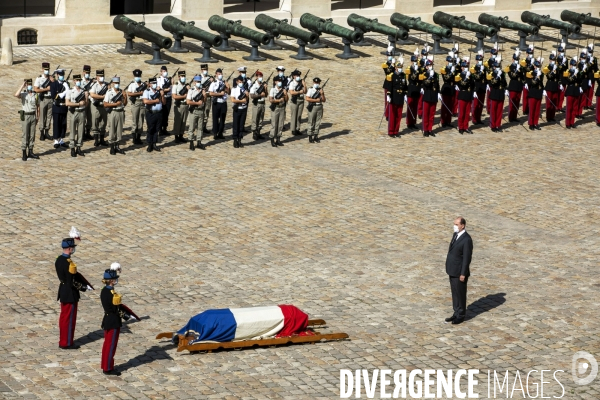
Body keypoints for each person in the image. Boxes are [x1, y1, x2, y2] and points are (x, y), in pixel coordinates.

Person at [55, 237, 91, 349]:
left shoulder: (59, 259)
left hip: (63, 290)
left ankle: (64, 340)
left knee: (64, 317)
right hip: (70, 293)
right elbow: (72, 281)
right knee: (69, 319)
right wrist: (83, 287)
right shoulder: (69, 263)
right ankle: (66, 342)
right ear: (70, 249)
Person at [100, 264, 133, 376]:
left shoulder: (104, 291)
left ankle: (105, 365)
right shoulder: (112, 294)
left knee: (106, 345)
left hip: (107, 319)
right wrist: (127, 316)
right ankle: (108, 368)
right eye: (114, 279)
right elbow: (116, 309)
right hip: (113, 321)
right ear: (111, 281)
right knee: (111, 345)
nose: (116, 281)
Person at [444, 217, 473, 325]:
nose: (454, 226)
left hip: (459, 272)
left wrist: (463, 273)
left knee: (460, 293)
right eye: (454, 224)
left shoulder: (467, 239)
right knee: (455, 293)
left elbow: (466, 258)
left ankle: (461, 315)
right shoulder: (456, 235)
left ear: (462, 225)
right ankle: (456, 312)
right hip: (452, 269)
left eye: (456, 224)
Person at [14, 78, 40, 161]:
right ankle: (24, 152)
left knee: (32, 134)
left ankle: (31, 151)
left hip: (33, 115)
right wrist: (22, 85)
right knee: (25, 134)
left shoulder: (35, 95)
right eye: (28, 84)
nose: (29, 86)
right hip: (25, 116)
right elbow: (16, 94)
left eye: (30, 84)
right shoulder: (24, 94)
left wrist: (37, 117)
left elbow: (38, 106)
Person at [65, 74, 88, 157]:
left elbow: (86, 104)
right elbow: (67, 103)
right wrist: (78, 104)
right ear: (74, 81)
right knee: (73, 130)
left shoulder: (83, 91)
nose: (78, 82)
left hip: (82, 112)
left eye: (79, 80)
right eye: (77, 80)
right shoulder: (70, 91)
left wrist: (86, 97)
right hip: (73, 112)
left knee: (81, 130)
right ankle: (72, 148)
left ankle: (79, 147)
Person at [103, 76, 128, 155]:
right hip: (113, 112)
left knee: (119, 130)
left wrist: (125, 96)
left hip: (120, 111)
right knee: (112, 129)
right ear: (113, 83)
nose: (117, 84)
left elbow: (124, 104)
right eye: (115, 83)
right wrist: (115, 104)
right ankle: (112, 147)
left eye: (118, 83)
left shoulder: (121, 91)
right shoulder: (109, 92)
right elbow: (105, 104)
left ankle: (117, 146)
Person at [383, 60, 407, 137]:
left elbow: (405, 86)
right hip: (393, 96)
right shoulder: (392, 75)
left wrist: (406, 94)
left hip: (400, 97)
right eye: (399, 67)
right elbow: (389, 86)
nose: (400, 69)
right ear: (396, 68)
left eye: (401, 67)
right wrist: (388, 95)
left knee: (398, 115)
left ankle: (396, 131)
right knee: (392, 115)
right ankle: (391, 131)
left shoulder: (403, 75)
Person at [143, 77, 166, 152]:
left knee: (157, 129)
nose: (154, 84)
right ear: (149, 84)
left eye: (155, 83)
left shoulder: (159, 91)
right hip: (151, 113)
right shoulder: (147, 91)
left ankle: (154, 143)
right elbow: (145, 101)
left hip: (159, 113)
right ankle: (150, 144)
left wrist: (162, 95)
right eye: (153, 83)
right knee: (150, 129)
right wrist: (154, 101)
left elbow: (164, 102)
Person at [49, 69, 70, 149]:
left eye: (63, 75)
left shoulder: (66, 84)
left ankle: (61, 139)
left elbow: (69, 95)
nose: (62, 76)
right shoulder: (53, 84)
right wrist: (65, 92)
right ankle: (56, 140)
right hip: (57, 106)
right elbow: (54, 96)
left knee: (63, 124)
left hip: (64, 106)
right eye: (60, 75)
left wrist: (67, 89)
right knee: (56, 123)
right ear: (57, 75)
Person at [89, 69, 109, 147]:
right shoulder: (94, 85)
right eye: (100, 76)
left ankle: (102, 139)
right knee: (95, 122)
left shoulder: (106, 85)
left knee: (103, 122)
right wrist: (102, 96)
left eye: (102, 76)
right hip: (96, 106)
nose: (101, 77)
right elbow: (92, 95)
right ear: (97, 77)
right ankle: (96, 140)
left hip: (103, 105)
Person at [208, 68, 230, 140]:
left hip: (223, 102)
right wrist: (219, 94)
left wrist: (228, 87)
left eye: (221, 74)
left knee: (222, 118)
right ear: (216, 75)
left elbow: (229, 92)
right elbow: (211, 93)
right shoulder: (213, 83)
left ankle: (220, 132)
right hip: (216, 102)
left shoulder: (224, 83)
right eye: (218, 74)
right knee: (215, 118)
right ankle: (215, 132)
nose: (220, 75)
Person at [186, 75, 207, 150]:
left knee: (200, 127)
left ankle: (199, 142)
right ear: (194, 82)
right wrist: (197, 103)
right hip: (194, 110)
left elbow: (204, 101)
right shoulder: (191, 90)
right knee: (192, 127)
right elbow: (188, 101)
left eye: (199, 82)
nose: (198, 83)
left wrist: (204, 96)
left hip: (201, 110)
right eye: (197, 82)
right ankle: (191, 142)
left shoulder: (202, 90)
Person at [34, 62, 53, 141]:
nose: (47, 71)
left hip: (50, 98)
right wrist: (46, 89)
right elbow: (36, 89)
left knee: (49, 116)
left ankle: (47, 131)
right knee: (42, 116)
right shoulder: (39, 79)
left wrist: (53, 81)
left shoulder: (51, 78)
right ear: (42, 69)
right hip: (43, 99)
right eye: (45, 69)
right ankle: (42, 132)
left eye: (48, 69)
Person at [421, 57, 440, 137]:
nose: (430, 66)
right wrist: (430, 77)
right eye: (429, 65)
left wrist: (438, 92)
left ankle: (430, 129)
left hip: (433, 95)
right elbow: (426, 84)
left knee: (432, 114)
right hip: (427, 95)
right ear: (426, 67)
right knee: (426, 114)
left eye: (431, 65)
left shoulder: (435, 74)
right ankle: (425, 129)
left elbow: (437, 84)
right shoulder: (424, 74)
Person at [488, 60, 508, 133]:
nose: (497, 68)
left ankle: (498, 125)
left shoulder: (502, 73)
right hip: (495, 93)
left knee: (499, 111)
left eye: (498, 67)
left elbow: (505, 83)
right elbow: (492, 83)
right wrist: (497, 77)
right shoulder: (492, 74)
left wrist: (506, 89)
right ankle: (493, 125)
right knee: (493, 111)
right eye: (496, 67)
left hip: (500, 93)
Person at [126, 69, 146, 145]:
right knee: (135, 120)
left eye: (139, 76)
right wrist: (138, 93)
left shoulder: (143, 85)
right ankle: (134, 138)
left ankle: (139, 137)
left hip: (142, 103)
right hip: (135, 103)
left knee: (141, 121)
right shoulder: (132, 85)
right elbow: (129, 94)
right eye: (136, 76)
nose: (137, 77)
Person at [455, 59, 474, 134]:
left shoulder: (470, 75)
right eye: (464, 66)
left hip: (468, 95)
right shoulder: (459, 75)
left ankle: (466, 127)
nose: (466, 68)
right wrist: (466, 78)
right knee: (461, 113)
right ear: (461, 68)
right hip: (462, 95)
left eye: (466, 66)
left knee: (467, 113)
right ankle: (460, 127)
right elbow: (462, 85)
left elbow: (472, 85)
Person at [230, 76, 249, 148]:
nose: (241, 83)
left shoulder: (244, 89)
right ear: (237, 82)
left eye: (242, 82)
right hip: (237, 109)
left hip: (243, 108)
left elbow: (246, 100)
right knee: (236, 125)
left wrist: (247, 96)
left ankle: (240, 139)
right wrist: (241, 101)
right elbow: (233, 100)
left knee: (241, 125)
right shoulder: (234, 89)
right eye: (240, 82)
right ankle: (235, 140)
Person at [269, 75, 288, 147]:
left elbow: (286, 100)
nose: (280, 82)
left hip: (282, 107)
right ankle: (272, 138)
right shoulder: (273, 90)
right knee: (274, 124)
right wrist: (278, 100)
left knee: (280, 124)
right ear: (275, 82)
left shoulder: (283, 90)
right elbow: (271, 100)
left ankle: (278, 139)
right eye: (278, 81)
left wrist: (285, 94)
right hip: (276, 107)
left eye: (281, 81)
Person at [306, 77, 326, 143]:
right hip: (313, 106)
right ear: (313, 82)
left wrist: (322, 94)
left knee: (318, 122)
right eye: (315, 83)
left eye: (317, 83)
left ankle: (316, 136)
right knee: (311, 121)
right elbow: (307, 98)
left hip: (319, 106)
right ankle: (310, 136)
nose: (316, 84)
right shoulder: (310, 90)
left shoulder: (320, 90)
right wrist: (315, 100)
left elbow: (324, 100)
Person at [440, 52, 457, 129]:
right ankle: (443, 121)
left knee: (450, 105)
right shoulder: (444, 69)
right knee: (445, 106)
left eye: (451, 62)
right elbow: (445, 78)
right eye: (449, 62)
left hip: (452, 88)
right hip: (446, 88)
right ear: (446, 62)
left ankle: (448, 121)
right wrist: (450, 72)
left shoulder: (454, 69)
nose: (450, 63)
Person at [172, 70, 189, 144]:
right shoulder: (176, 85)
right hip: (179, 105)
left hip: (185, 104)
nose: (183, 78)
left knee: (184, 121)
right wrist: (183, 96)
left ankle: (181, 135)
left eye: (184, 76)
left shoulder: (186, 86)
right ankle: (176, 136)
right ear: (179, 77)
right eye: (182, 76)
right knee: (178, 121)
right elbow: (174, 96)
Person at [507, 49, 524, 122]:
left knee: (517, 102)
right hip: (513, 86)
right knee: (512, 103)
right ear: (512, 59)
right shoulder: (510, 67)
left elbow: (522, 77)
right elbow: (512, 76)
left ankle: (515, 116)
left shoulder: (520, 67)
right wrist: (516, 71)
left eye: (517, 59)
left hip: (519, 86)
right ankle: (511, 117)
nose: (516, 60)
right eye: (515, 59)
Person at [405, 50, 421, 130]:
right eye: (414, 61)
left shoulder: (418, 68)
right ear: (411, 61)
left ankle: (413, 122)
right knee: (410, 106)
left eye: (416, 61)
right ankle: (409, 122)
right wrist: (415, 71)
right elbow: (411, 78)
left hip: (417, 89)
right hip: (411, 88)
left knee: (415, 107)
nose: (415, 62)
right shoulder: (409, 69)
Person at [249, 71, 268, 140]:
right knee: (255, 118)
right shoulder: (254, 85)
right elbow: (252, 95)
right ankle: (254, 133)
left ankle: (258, 132)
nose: (260, 78)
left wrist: (265, 88)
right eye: (259, 76)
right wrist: (260, 95)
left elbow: (266, 95)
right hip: (256, 103)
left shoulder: (262, 85)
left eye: (261, 76)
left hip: (262, 103)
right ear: (256, 77)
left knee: (260, 119)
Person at [288, 69, 307, 136]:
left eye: (299, 75)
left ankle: (297, 128)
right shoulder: (292, 83)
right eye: (296, 75)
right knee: (294, 115)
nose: (298, 76)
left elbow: (305, 91)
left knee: (299, 115)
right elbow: (291, 92)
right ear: (293, 76)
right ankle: (293, 129)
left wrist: (304, 85)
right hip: (295, 100)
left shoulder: (301, 82)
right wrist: (299, 92)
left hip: (301, 100)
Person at [527, 57, 544, 130]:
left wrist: (544, 89)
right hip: (533, 93)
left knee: (537, 110)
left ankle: (535, 123)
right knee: (532, 109)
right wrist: (536, 77)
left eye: (539, 66)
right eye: (536, 66)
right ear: (534, 66)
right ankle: (531, 123)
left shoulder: (541, 74)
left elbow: (541, 83)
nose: (537, 68)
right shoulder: (531, 73)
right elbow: (532, 83)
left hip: (539, 93)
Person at [565, 57, 582, 129]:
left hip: (576, 90)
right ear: (570, 65)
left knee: (574, 108)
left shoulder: (577, 72)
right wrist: (574, 75)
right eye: (573, 65)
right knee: (569, 108)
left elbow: (580, 80)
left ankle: (572, 122)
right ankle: (568, 123)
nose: (574, 67)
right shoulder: (568, 72)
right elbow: (569, 80)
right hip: (570, 91)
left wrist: (579, 73)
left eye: (575, 65)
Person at [544, 51, 561, 123]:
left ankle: (552, 116)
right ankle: (548, 116)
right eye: (552, 60)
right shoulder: (547, 67)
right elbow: (549, 76)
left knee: (554, 102)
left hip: (555, 86)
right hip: (549, 86)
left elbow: (559, 76)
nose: (553, 61)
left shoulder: (556, 67)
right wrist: (552, 71)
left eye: (554, 60)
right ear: (549, 60)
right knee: (549, 102)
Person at [471, 50, 486, 125]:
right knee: (475, 105)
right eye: (479, 60)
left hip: (483, 88)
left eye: (481, 60)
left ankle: (478, 118)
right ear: (476, 61)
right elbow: (476, 77)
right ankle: (474, 119)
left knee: (481, 104)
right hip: (476, 88)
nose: (480, 61)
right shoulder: (473, 68)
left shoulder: (484, 68)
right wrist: (480, 71)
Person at [157, 66, 173, 136]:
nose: (165, 72)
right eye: (163, 71)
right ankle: (160, 129)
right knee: (161, 113)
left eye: (165, 71)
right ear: (160, 72)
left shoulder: (169, 79)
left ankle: (164, 128)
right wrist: (164, 90)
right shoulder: (158, 80)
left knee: (167, 113)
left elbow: (170, 89)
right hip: (162, 97)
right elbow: (158, 89)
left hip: (168, 98)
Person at [382, 46, 396, 121]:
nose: (389, 57)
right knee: (387, 100)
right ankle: (387, 114)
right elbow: (388, 72)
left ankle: (392, 113)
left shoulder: (394, 63)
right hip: (388, 83)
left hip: (394, 83)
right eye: (388, 56)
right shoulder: (385, 64)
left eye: (390, 56)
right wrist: (392, 65)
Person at [81, 65, 94, 141]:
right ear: (83, 72)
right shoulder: (81, 81)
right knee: (83, 117)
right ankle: (82, 133)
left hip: (90, 101)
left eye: (88, 72)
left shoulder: (91, 81)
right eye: (86, 72)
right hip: (83, 101)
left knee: (90, 117)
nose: (87, 74)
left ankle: (88, 132)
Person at [200, 64, 213, 134]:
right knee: (201, 111)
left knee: (206, 111)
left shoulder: (209, 78)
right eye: (204, 70)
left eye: (206, 69)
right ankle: (200, 126)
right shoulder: (199, 78)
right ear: (201, 70)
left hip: (208, 96)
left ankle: (204, 126)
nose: (205, 71)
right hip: (201, 97)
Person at [522, 45, 534, 115]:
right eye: (529, 54)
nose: (530, 55)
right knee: (525, 97)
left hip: (532, 81)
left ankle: (529, 108)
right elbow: (524, 70)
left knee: (531, 96)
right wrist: (524, 82)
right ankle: (525, 109)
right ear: (526, 54)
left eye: (531, 54)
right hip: (526, 81)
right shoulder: (524, 61)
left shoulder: (533, 61)